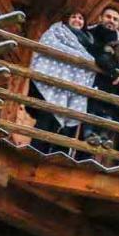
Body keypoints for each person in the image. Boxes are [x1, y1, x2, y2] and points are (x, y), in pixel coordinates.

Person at [27, 12, 96, 154]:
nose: (77, 20)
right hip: (52, 83)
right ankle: (35, 151)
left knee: (67, 123)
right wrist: (79, 57)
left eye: (81, 18)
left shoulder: (88, 41)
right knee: (46, 118)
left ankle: (59, 154)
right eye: (74, 17)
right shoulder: (56, 32)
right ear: (67, 19)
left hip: (73, 88)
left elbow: (93, 60)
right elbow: (47, 45)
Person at [83, 6, 119, 147]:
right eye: (108, 17)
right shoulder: (89, 33)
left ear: (118, 24)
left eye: (115, 19)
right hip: (88, 81)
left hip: (109, 88)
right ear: (100, 18)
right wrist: (113, 71)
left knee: (103, 118)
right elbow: (92, 52)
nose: (111, 21)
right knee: (84, 118)